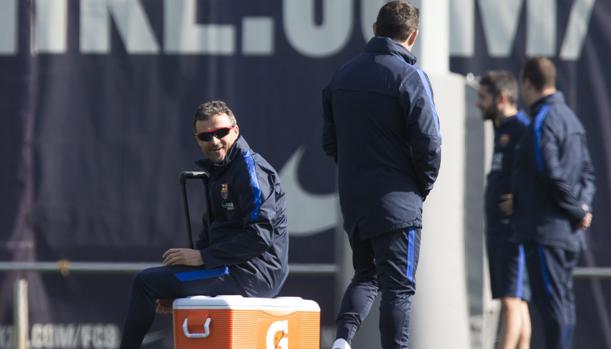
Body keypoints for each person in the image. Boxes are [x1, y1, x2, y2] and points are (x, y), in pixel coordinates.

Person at [119, 100, 289, 348]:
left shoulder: (248, 170)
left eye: (221, 133)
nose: (215, 141)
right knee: (152, 284)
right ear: (197, 139)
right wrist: (182, 286)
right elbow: (212, 232)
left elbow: (259, 237)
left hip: (254, 274)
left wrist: (202, 257)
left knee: (145, 282)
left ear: (236, 131)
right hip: (236, 268)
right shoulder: (221, 170)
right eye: (206, 136)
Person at [322, 1, 441, 348]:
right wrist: (420, 186)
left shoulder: (342, 75)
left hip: (356, 199)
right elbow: (429, 143)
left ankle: (342, 342)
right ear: (413, 36)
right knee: (398, 289)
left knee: (366, 274)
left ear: (375, 29)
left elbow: (330, 143)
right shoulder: (410, 76)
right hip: (398, 202)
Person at [512, 57, 595, 349]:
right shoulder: (572, 119)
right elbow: (588, 174)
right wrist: (582, 209)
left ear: (527, 83)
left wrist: (575, 210)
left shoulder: (543, 121)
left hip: (547, 233)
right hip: (567, 234)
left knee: (553, 309)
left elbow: (549, 173)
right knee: (564, 305)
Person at [477, 71, 531, 349]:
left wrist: (520, 201)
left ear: (501, 98)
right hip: (501, 228)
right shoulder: (504, 129)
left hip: (512, 229)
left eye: (483, 98)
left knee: (511, 300)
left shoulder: (522, 128)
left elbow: (540, 172)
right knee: (516, 300)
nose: (478, 104)